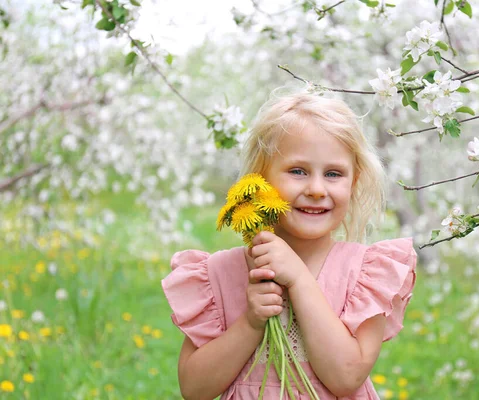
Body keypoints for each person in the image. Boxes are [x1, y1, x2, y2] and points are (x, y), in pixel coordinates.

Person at [161, 91, 418, 400]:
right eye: (298, 171)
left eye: (333, 174)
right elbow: (194, 388)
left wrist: (297, 277)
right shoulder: (218, 274)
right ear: (260, 177)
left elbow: (346, 377)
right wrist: (250, 324)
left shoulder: (366, 274)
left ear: (353, 181)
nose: (316, 189)